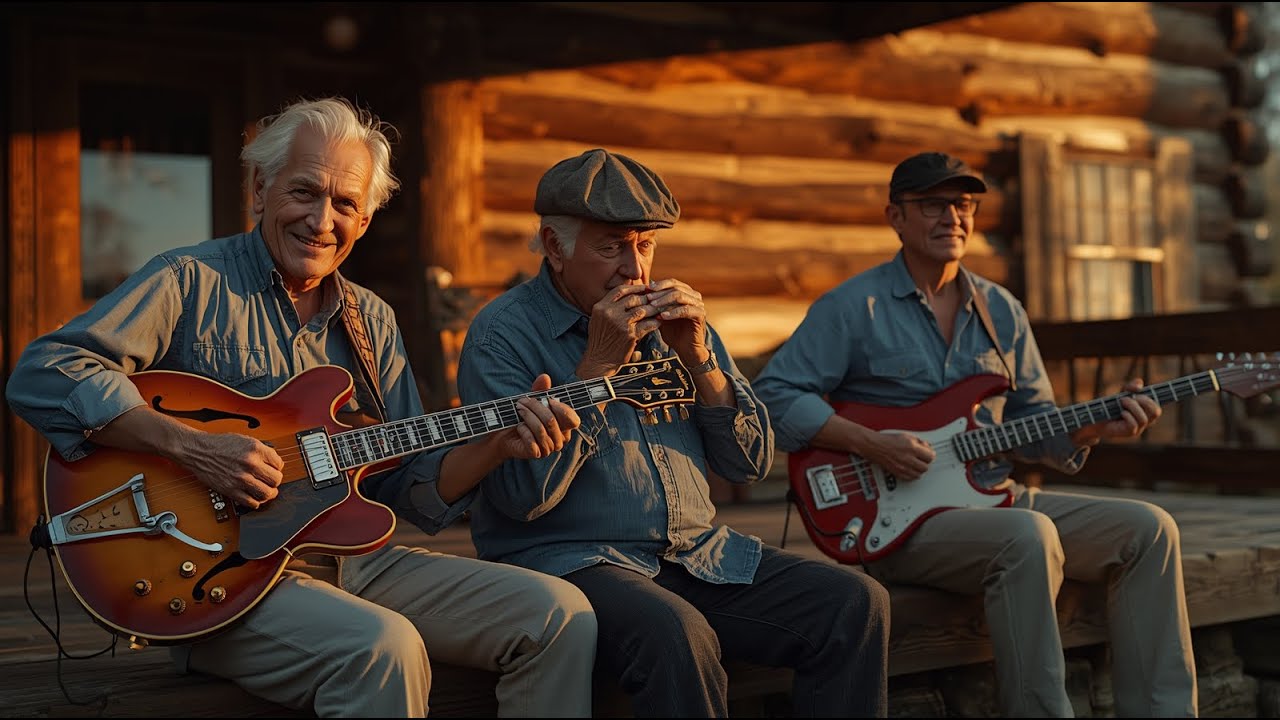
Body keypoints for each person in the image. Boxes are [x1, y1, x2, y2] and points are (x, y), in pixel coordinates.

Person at [5, 97, 597, 718]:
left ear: (364, 221)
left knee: (560, 615)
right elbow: (46, 372)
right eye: (304, 192)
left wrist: (495, 443)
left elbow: (410, 488)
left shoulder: (372, 320)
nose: (321, 220)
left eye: (344, 204)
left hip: (352, 560)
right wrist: (191, 446)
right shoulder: (188, 281)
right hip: (217, 578)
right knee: (382, 648)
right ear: (260, 189)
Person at [753, 150, 1197, 718]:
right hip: (899, 522)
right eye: (934, 205)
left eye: (963, 205)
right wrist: (870, 443)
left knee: (1149, 528)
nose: (953, 218)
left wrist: (1089, 429)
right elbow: (774, 396)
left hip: (992, 496)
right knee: (1028, 536)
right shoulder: (852, 308)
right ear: (896, 216)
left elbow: (1032, 422)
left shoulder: (1002, 311)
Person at [455, 147, 891, 718]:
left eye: (645, 244)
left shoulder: (677, 324)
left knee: (857, 602)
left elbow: (748, 465)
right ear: (555, 247)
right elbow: (521, 500)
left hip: (695, 555)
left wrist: (701, 359)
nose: (634, 270)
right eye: (610, 247)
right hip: (572, 563)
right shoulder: (501, 335)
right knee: (677, 632)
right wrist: (594, 372)